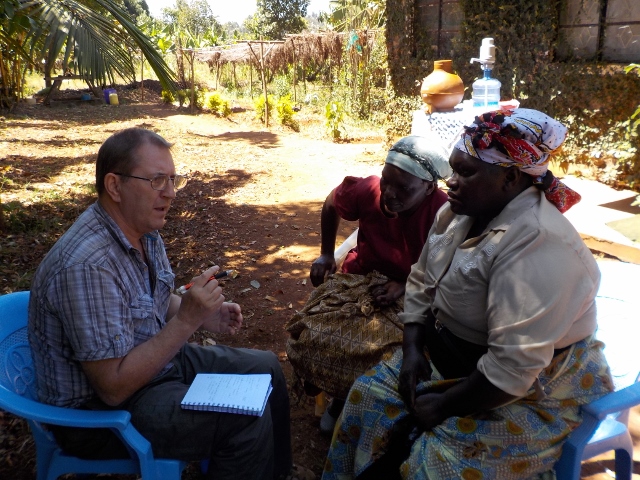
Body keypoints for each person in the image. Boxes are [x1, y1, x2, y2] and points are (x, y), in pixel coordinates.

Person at [322, 109, 613, 480]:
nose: (452, 182)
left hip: (532, 387)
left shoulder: (537, 245)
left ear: (510, 177)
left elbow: (511, 370)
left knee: (439, 465)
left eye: (466, 173)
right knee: (366, 399)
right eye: (454, 170)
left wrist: (444, 405)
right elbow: (422, 281)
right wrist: (412, 348)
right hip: (453, 360)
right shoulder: (457, 214)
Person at [28, 128, 313, 480]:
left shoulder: (145, 233)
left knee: (267, 367)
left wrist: (205, 315)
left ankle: (275, 473)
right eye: (157, 180)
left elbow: (157, 302)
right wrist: (186, 322)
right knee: (246, 421)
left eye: (173, 180)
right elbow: (113, 387)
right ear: (114, 186)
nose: (171, 193)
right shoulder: (87, 265)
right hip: (100, 414)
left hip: (152, 364)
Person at [285, 135, 451, 435]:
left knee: (390, 354)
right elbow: (331, 202)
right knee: (308, 332)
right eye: (387, 180)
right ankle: (338, 395)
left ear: (429, 187)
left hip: (413, 291)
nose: (389, 193)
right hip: (359, 278)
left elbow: (444, 272)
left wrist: (403, 282)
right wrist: (325, 253)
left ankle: (354, 403)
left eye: (404, 188)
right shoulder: (369, 190)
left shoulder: (444, 212)